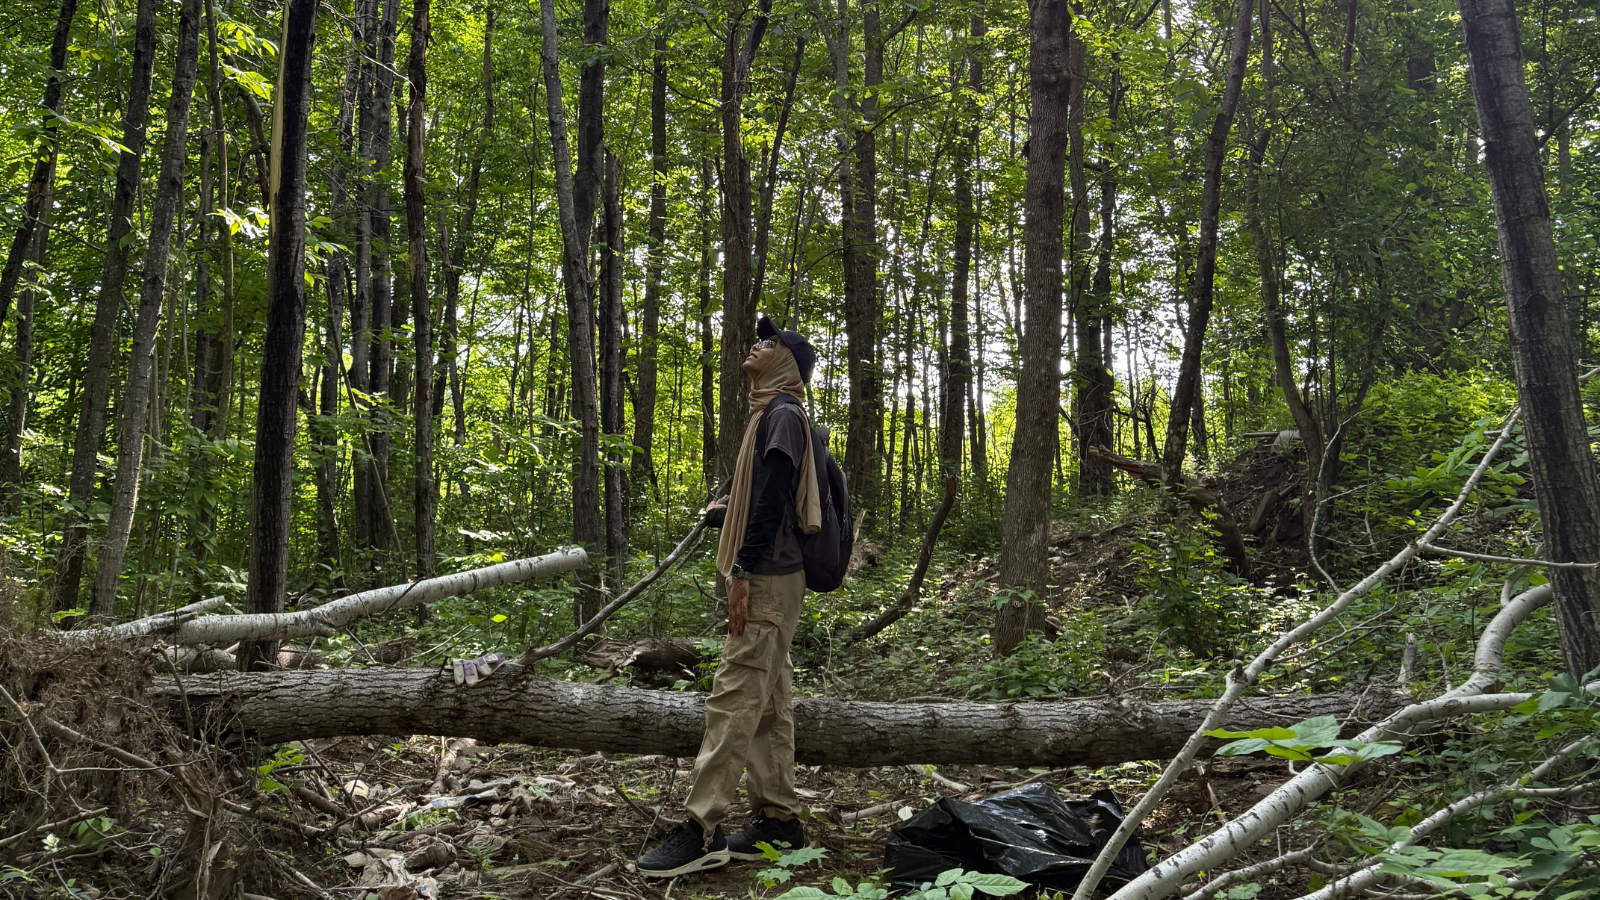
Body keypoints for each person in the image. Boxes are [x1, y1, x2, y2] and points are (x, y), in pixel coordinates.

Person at [636, 317, 821, 878]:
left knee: (733, 697)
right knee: (766, 703)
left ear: (786, 364)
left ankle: (701, 829)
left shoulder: (783, 414)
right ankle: (780, 821)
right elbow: (766, 494)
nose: (754, 344)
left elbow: (773, 499)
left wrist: (743, 567)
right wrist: (726, 515)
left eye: (768, 343)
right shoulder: (773, 416)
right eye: (757, 337)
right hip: (775, 574)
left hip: (765, 578)